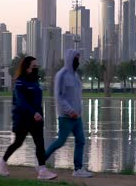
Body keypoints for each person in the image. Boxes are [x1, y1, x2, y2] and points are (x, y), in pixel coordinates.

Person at [0, 56, 57, 180]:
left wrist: (39, 113)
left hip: (36, 118)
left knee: (40, 143)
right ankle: (2, 162)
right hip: (23, 118)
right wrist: (33, 112)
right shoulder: (20, 82)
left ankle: (42, 170)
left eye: (37, 66)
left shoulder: (35, 81)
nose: (36, 68)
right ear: (27, 68)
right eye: (34, 66)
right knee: (18, 142)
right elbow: (21, 101)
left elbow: (37, 100)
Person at [45, 49, 93, 178]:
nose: (79, 60)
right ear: (71, 59)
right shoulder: (62, 75)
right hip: (66, 116)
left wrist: (77, 112)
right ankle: (41, 161)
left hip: (77, 117)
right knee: (61, 141)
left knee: (81, 141)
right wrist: (70, 111)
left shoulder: (75, 76)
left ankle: (78, 169)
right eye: (77, 58)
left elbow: (76, 96)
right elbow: (59, 96)